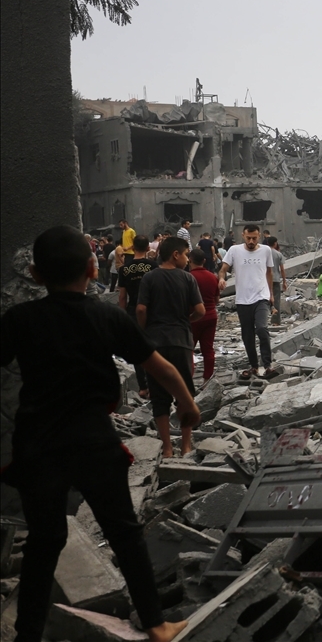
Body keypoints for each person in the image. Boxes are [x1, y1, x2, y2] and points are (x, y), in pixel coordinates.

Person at [1, 225, 197, 642]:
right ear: (93, 269)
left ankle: (27, 635)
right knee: (124, 533)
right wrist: (187, 403)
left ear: (35, 275)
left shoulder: (19, 319)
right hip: (94, 441)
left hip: (37, 445)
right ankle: (156, 624)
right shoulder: (104, 315)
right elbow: (159, 365)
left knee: (44, 541)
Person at [136, 237, 203, 458]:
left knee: (159, 395)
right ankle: (185, 445)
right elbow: (201, 311)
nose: (187, 259)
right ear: (175, 254)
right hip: (181, 341)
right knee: (184, 394)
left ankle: (166, 448)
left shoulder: (149, 278)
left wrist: (145, 332)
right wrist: (185, 319)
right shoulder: (187, 279)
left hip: (155, 344)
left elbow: (141, 310)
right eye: (185, 254)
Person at [219, 224, 277, 380]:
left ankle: (267, 365)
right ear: (243, 236)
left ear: (259, 236)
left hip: (261, 297)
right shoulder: (234, 251)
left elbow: (269, 273)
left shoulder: (266, 250)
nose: (251, 241)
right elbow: (223, 268)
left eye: (254, 238)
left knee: (262, 329)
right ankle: (254, 366)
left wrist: (271, 294)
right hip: (243, 299)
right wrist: (221, 278)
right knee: (247, 334)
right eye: (248, 238)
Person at [118, 235, 154, 397]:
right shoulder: (153, 266)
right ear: (148, 248)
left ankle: (143, 387)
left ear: (132, 247)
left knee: (139, 349)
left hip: (133, 310)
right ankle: (156, 384)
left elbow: (122, 297)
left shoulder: (124, 269)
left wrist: (122, 317)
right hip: (152, 311)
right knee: (154, 347)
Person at [188, 250, 220, 384]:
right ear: (204, 261)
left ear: (190, 260)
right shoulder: (213, 277)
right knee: (208, 349)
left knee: (189, 350)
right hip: (211, 315)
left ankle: (188, 379)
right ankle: (207, 379)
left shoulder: (188, 277)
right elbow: (217, 299)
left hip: (192, 318)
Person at [267, 236, 287, 325]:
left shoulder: (264, 253)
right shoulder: (278, 254)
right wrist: (284, 281)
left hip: (265, 280)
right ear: (275, 243)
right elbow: (282, 269)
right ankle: (275, 321)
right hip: (275, 280)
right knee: (276, 300)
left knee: (264, 299)